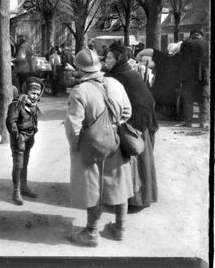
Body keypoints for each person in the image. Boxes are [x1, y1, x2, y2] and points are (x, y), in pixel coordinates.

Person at [64, 48, 133, 246]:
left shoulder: (79, 91)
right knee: (119, 183)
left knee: (92, 187)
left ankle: (91, 233)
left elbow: (73, 126)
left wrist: (75, 146)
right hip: (115, 142)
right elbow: (127, 111)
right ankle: (120, 228)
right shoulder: (115, 83)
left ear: (79, 69)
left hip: (91, 145)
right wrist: (112, 126)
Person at [104, 42, 159, 210]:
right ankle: (140, 198)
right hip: (143, 120)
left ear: (118, 58)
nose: (106, 60)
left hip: (135, 123)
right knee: (141, 158)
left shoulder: (119, 76)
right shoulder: (126, 71)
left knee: (131, 158)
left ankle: (132, 200)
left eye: (109, 57)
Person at [6, 77, 43, 206]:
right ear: (25, 91)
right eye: (32, 93)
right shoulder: (17, 104)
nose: (35, 96)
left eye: (37, 94)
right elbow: (11, 122)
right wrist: (18, 137)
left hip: (28, 139)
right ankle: (16, 191)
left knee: (25, 163)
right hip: (19, 140)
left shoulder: (32, 105)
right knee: (18, 165)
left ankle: (24, 186)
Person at [136, 42, 182, 118]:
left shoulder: (161, 57)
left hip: (158, 89)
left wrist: (138, 55)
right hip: (173, 91)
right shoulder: (179, 59)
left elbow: (151, 51)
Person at [178, 30, 209, 128]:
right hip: (202, 76)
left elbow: (181, 60)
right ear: (200, 35)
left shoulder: (185, 44)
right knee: (203, 100)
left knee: (188, 100)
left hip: (188, 77)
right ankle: (202, 122)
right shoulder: (206, 44)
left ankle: (188, 122)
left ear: (191, 36)